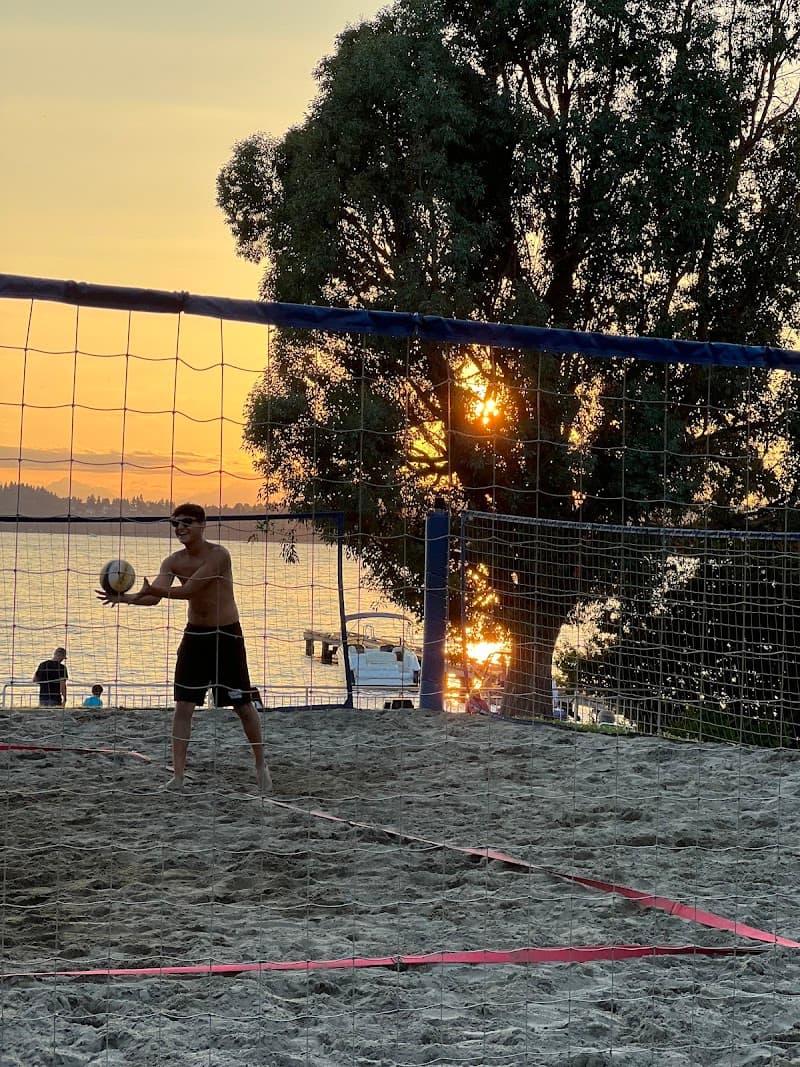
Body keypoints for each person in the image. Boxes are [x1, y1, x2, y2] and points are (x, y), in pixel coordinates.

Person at [96, 503, 270, 793]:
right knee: (183, 707)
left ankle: (260, 764)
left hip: (226, 635)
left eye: (186, 522)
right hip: (195, 637)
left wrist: (153, 590)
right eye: (175, 523)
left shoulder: (219, 555)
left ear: (203, 525)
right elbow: (154, 597)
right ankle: (177, 776)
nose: (180, 528)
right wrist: (124, 599)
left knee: (242, 705)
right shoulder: (173, 561)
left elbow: (189, 590)